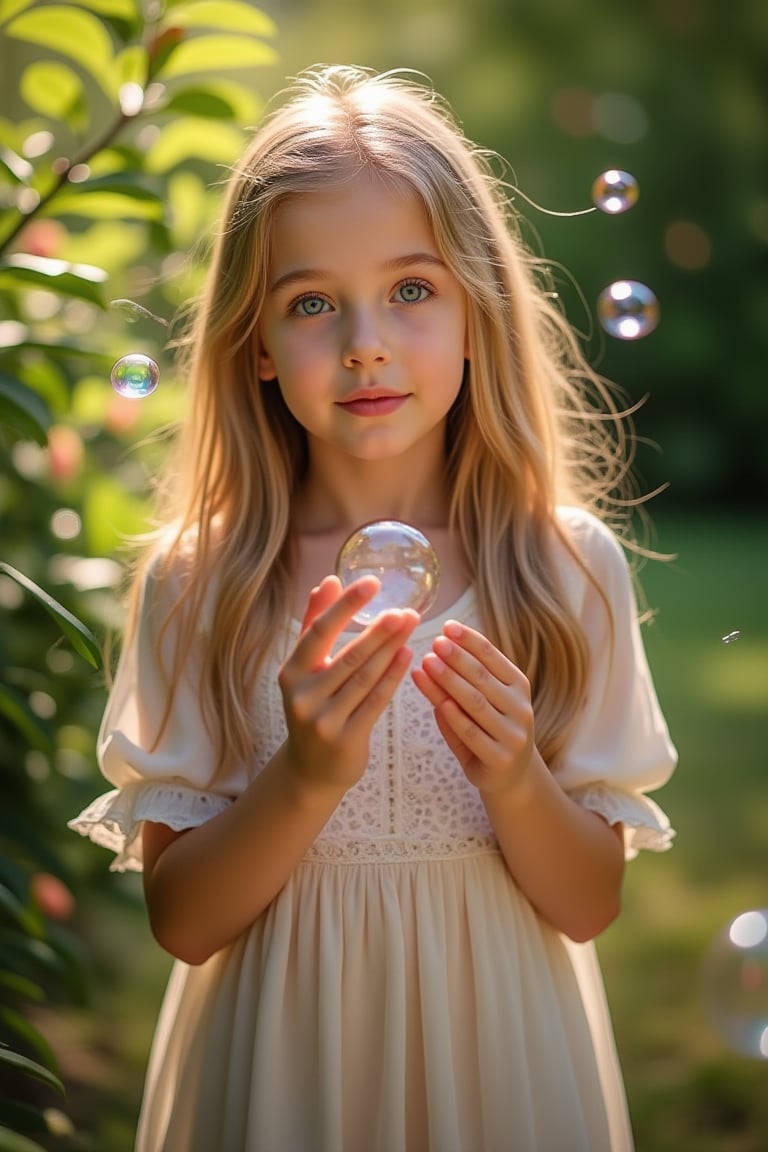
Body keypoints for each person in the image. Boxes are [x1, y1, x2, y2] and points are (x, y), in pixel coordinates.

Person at [69, 64, 677, 1152]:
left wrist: (515, 780)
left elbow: (589, 906)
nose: (364, 342)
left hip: (502, 1064)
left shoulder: (561, 569)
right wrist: (303, 775)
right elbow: (184, 921)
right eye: (311, 303)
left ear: (478, 310)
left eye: (411, 288)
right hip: (278, 1073)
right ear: (254, 343)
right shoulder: (203, 585)